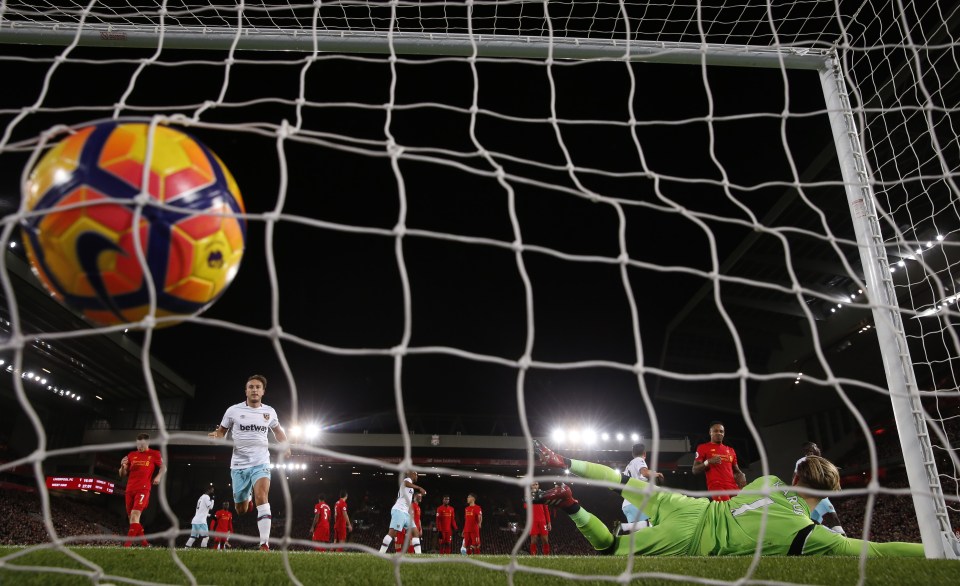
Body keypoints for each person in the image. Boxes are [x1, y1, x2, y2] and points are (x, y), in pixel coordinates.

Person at [531, 439, 924, 557]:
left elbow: (747, 492)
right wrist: (936, 551)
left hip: (691, 508)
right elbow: (879, 551)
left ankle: (563, 461)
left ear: (794, 476)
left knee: (620, 481)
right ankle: (572, 506)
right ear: (827, 497)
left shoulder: (767, 481)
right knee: (611, 548)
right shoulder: (810, 537)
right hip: (695, 542)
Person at [208, 374, 290, 551]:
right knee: (241, 509)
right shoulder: (233, 411)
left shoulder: (270, 412)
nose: (254, 390)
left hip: (261, 461)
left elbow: (278, 431)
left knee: (263, 497)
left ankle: (264, 544)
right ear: (246, 390)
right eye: (251, 387)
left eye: (257, 387)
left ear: (263, 391)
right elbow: (222, 431)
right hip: (239, 465)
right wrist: (217, 436)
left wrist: (285, 445)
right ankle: (247, 499)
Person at [118, 432, 164, 547]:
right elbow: (122, 474)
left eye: (142, 444)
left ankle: (126, 546)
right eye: (138, 444)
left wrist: (158, 476)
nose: (139, 447)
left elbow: (164, 467)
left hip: (143, 489)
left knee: (134, 515)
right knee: (132, 520)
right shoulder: (131, 455)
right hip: (129, 489)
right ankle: (145, 544)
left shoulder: (155, 454)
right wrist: (122, 467)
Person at [795, 442, 845, 535]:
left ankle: (842, 539)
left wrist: (837, 486)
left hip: (821, 497)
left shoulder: (823, 462)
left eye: (816, 447)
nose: (818, 449)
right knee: (814, 523)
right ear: (809, 451)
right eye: (815, 447)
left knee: (834, 520)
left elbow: (832, 476)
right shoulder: (803, 462)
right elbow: (796, 479)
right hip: (810, 497)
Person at [692, 421, 746, 501]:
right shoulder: (703, 447)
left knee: (741, 509)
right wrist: (708, 461)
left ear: (724, 433)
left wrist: (742, 476)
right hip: (716, 486)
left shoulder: (731, 450)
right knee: (727, 509)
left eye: (721, 431)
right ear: (710, 432)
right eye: (715, 431)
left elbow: (736, 470)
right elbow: (695, 470)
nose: (719, 433)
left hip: (733, 486)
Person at [619, 443, 664, 534]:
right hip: (637, 503)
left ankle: (624, 527)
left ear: (632, 453)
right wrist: (657, 474)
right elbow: (644, 473)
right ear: (644, 453)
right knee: (654, 523)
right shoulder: (639, 460)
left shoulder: (628, 467)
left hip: (627, 505)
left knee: (638, 535)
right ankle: (623, 527)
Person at [378, 471, 427, 554]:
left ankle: (419, 555)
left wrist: (421, 494)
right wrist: (419, 488)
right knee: (392, 533)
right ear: (412, 474)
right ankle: (381, 553)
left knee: (416, 533)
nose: (417, 477)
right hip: (399, 510)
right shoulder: (407, 480)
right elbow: (405, 483)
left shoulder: (411, 486)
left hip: (405, 513)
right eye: (416, 475)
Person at [524, 481, 552, 555]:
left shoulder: (542, 495)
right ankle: (533, 557)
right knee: (534, 540)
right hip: (533, 521)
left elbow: (546, 510)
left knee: (545, 540)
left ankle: (546, 556)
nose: (535, 486)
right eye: (533, 485)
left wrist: (549, 522)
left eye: (536, 484)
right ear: (531, 486)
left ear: (538, 485)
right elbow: (525, 507)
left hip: (543, 521)